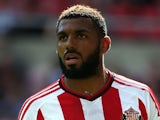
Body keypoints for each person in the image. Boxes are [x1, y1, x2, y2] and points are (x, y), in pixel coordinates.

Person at [18, 4, 160, 120]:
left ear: (104, 44)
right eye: (63, 37)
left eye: (81, 36)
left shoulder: (140, 97)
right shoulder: (38, 109)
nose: (69, 44)